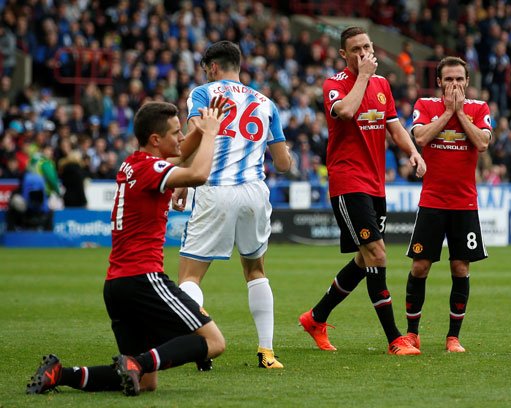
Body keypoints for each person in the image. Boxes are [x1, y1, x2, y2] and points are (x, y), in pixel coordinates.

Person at [26, 99, 229, 397]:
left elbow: (181, 153)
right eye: (176, 132)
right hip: (143, 279)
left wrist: (202, 130)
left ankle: (59, 374)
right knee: (214, 342)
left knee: (146, 382)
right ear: (155, 139)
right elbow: (198, 174)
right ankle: (136, 363)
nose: (182, 137)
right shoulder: (152, 168)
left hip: (117, 286)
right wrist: (210, 133)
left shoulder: (133, 163)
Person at [298, 27, 426, 355]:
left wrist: (413, 152)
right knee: (377, 254)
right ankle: (395, 339)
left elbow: (393, 126)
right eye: (356, 49)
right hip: (347, 181)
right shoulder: (335, 84)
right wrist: (363, 76)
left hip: (375, 183)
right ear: (344, 54)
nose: (364, 53)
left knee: (363, 258)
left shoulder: (382, 85)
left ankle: (316, 318)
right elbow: (344, 111)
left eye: (367, 46)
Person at [176, 41, 292, 369]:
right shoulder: (266, 103)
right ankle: (267, 352)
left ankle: (201, 343)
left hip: (216, 189)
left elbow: (195, 136)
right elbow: (283, 164)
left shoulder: (203, 93)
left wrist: (182, 179)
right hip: (254, 192)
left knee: (189, 277)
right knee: (255, 271)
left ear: (213, 67)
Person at [403, 56, 492, 353]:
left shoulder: (479, 108)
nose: (455, 84)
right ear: (439, 82)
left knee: (460, 266)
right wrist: (448, 113)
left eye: (459, 79)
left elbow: (482, 143)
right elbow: (420, 137)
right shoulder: (426, 105)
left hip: (464, 203)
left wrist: (461, 113)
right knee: (420, 266)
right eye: (449, 79)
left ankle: (453, 337)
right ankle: (412, 334)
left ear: (467, 81)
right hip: (432, 201)